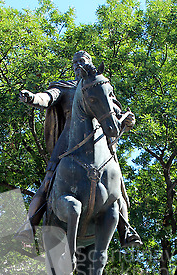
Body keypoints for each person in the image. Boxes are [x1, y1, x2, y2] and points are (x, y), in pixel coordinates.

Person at [19, 51, 142, 247]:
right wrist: (33, 97)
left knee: (117, 184)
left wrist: (128, 119)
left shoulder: (99, 85)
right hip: (68, 141)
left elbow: (114, 109)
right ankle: (28, 227)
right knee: (48, 180)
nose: (78, 65)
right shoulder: (66, 87)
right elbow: (48, 98)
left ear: (89, 63)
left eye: (81, 61)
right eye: (74, 62)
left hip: (99, 141)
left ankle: (125, 230)